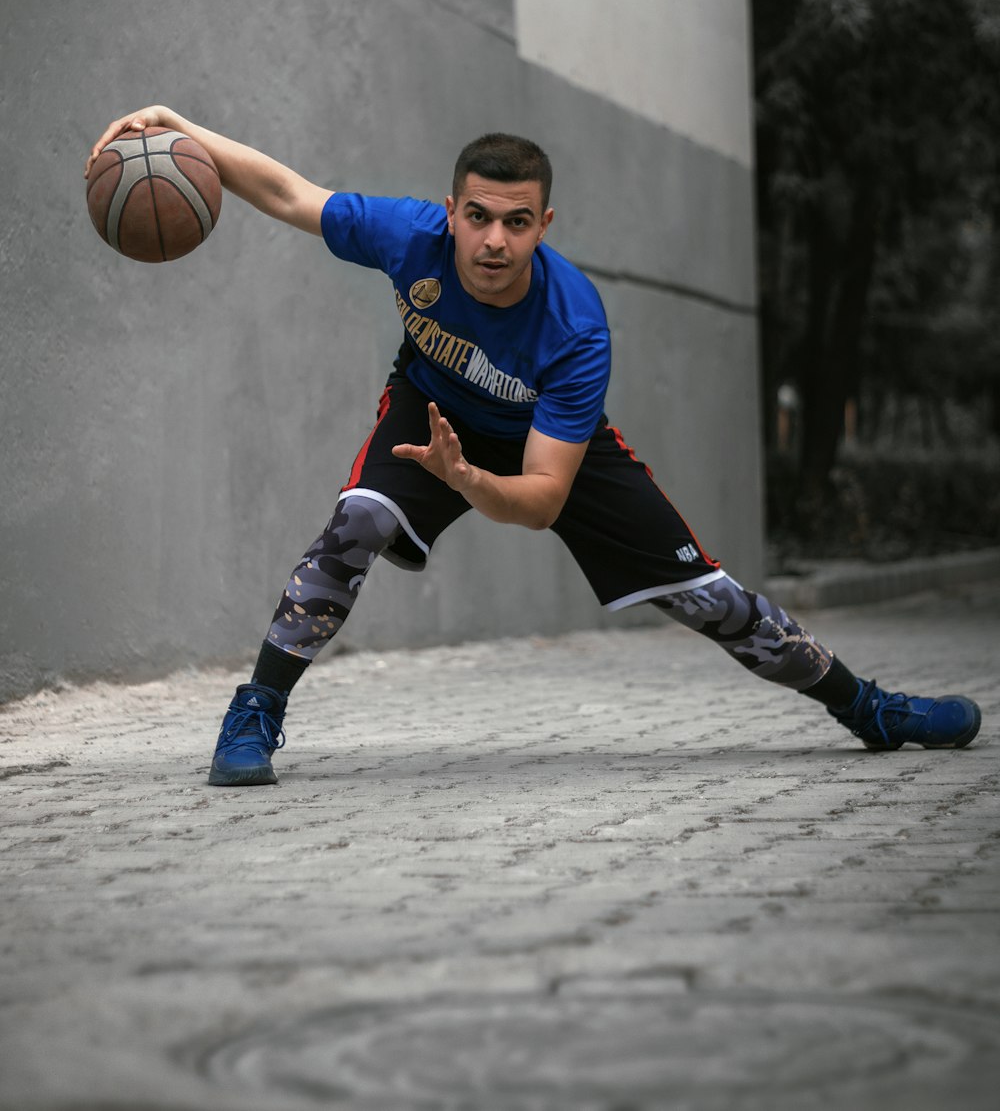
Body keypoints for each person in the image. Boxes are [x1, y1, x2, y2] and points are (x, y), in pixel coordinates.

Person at [86, 108, 982, 784]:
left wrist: (469, 478)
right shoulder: (409, 236)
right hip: (432, 407)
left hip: (554, 451)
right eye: (479, 217)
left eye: (517, 222)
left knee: (708, 599)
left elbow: (545, 499)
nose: (493, 240)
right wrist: (179, 125)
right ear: (451, 212)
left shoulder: (574, 326)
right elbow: (289, 193)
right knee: (357, 519)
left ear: (544, 226)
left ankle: (870, 709)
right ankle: (256, 710)